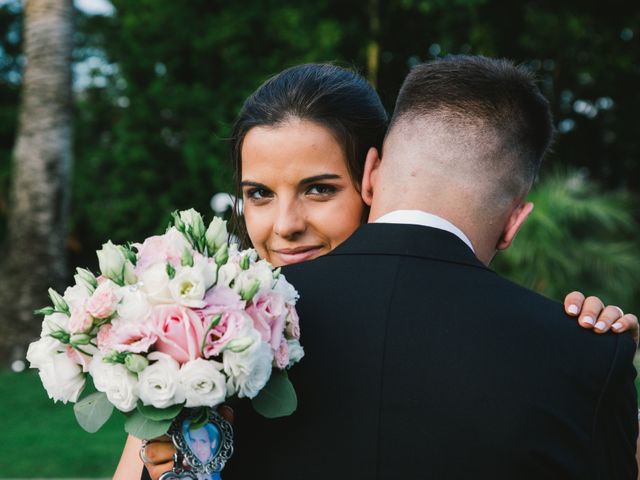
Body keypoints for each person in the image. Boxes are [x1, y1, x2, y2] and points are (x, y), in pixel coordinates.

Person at [126, 62, 637, 480]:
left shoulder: (566, 344)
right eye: (258, 193)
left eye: (320, 189)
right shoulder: (199, 347)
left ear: (370, 179)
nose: (285, 227)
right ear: (513, 224)